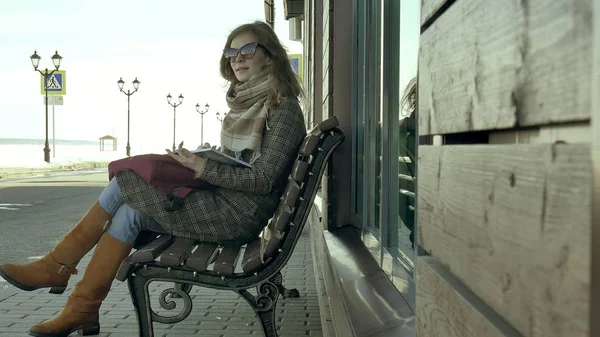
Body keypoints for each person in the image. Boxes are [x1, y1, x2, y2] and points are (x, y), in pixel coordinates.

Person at [0, 20, 306, 337]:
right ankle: (82, 307)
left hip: (235, 217)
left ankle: (57, 266)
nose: (237, 58)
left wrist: (203, 168)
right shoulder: (247, 103)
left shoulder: (282, 109)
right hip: (222, 204)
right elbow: (244, 166)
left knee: (126, 180)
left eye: (248, 50)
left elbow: (263, 180)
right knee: (130, 210)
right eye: (232, 52)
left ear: (269, 57)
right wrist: (204, 159)